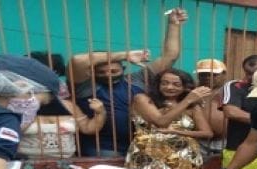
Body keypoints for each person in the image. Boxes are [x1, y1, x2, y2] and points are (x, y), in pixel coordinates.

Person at [69, 7, 188, 157]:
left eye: (114, 71)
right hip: (102, 149)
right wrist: (125, 55)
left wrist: (173, 24)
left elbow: (170, 56)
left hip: (139, 147)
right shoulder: (86, 86)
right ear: (92, 73)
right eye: (101, 72)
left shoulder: (136, 79)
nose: (108, 75)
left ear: (123, 68)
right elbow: (76, 61)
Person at [125, 68, 212, 169]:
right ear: (157, 84)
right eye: (164, 83)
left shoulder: (193, 106)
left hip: (182, 152)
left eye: (176, 84)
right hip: (150, 150)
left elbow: (207, 132)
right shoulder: (143, 99)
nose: (169, 87)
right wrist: (187, 100)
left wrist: (177, 131)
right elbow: (161, 121)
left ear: (185, 87)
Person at [17, 52, 107, 159]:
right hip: (26, 163)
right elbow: (10, 132)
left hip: (67, 162)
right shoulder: (16, 106)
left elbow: (88, 128)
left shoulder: (67, 105)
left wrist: (100, 113)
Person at [195, 58, 227, 160]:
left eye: (213, 74)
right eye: (203, 74)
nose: (208, 77)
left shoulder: (231, 90)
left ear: (224, 74)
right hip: (198, 142)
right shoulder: (193, 91)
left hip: (226, 141)